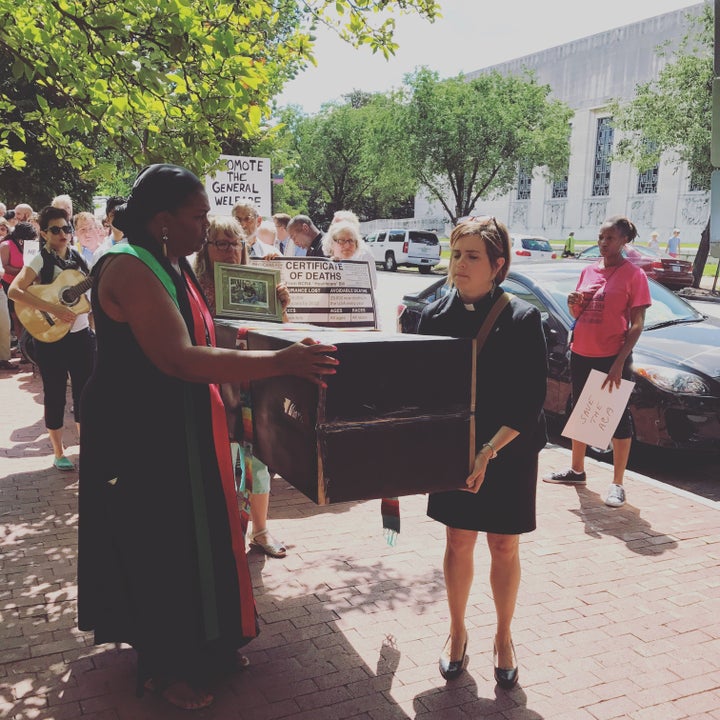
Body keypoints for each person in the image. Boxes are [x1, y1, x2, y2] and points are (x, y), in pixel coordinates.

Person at [76, 164, 338, 711]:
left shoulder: (171, 262)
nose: (205, 226)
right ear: (164, 219)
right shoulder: (128, 266)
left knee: (203, 536)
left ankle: (209, 642)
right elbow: (177, 356)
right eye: (198, 217)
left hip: (186, 426)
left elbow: (205, 331)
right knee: (163, 548)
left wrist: (271, 331)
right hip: (146, 436)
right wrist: (278, 361)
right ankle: (165, 668)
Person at [417, 217, 547, 688]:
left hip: (508, 448)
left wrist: (488, 452)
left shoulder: (522, 317)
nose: (460, 265)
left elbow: (530, 401)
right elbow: (420, 394)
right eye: (456, 255)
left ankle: (504, 636)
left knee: (504, 544)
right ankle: (456, 632)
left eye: (472, 256)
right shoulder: (431, 316)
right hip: (456, 449)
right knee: (457, 540)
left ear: (498, 264)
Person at [194, 216, 290, 558]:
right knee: (222, 458)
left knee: (257, 458)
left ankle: (259, 530)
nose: (230, 250)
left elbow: (277, 333)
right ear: (206, 249)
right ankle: (225, 532)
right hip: (214, 385)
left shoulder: (260, 283)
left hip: (254, 382)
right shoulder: (194, 285)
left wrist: (281, 307)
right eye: (221, 243)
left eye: (236, 243)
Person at [543, 216, 651, 508]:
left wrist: (619, 362)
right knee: (582, 412)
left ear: (624, 241)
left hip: (612, 356)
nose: (604, 243)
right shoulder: (589, 269)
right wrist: (572, 302)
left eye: (610, 238)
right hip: (582, 352)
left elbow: (637, 324)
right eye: (601, 237)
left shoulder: (633, 275)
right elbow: (578, 313)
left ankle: (617, 484)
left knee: (615, 418)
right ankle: (577, 471)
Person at [8, 208, 94, 470]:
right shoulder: (39, 260)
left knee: (85, 393)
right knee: (55, 394)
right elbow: (14, 290)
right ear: (44, 233)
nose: (63, 234)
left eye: (66, 228)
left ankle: (87, 447)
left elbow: (89, 292)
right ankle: (58, 452)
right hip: (50, 338)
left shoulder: (78, 259)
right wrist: (54, 309)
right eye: (55, 229)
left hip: (81, 336)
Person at [1, 221, 37, 345]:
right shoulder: (6, 245)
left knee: (29, 316)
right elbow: (5, 267)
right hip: (10, 285)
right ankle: (22, 347)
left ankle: (32, 344)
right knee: (16, 317)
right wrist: (24, 272)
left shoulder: (32, 245)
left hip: (28, 285)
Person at [323, 220, 377, 289]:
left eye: (351, 241)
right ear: (331, 244)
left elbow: (372, 288)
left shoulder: (363, 264)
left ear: (356, 244)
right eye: (341, 240)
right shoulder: (322, 269)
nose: (347, 245)